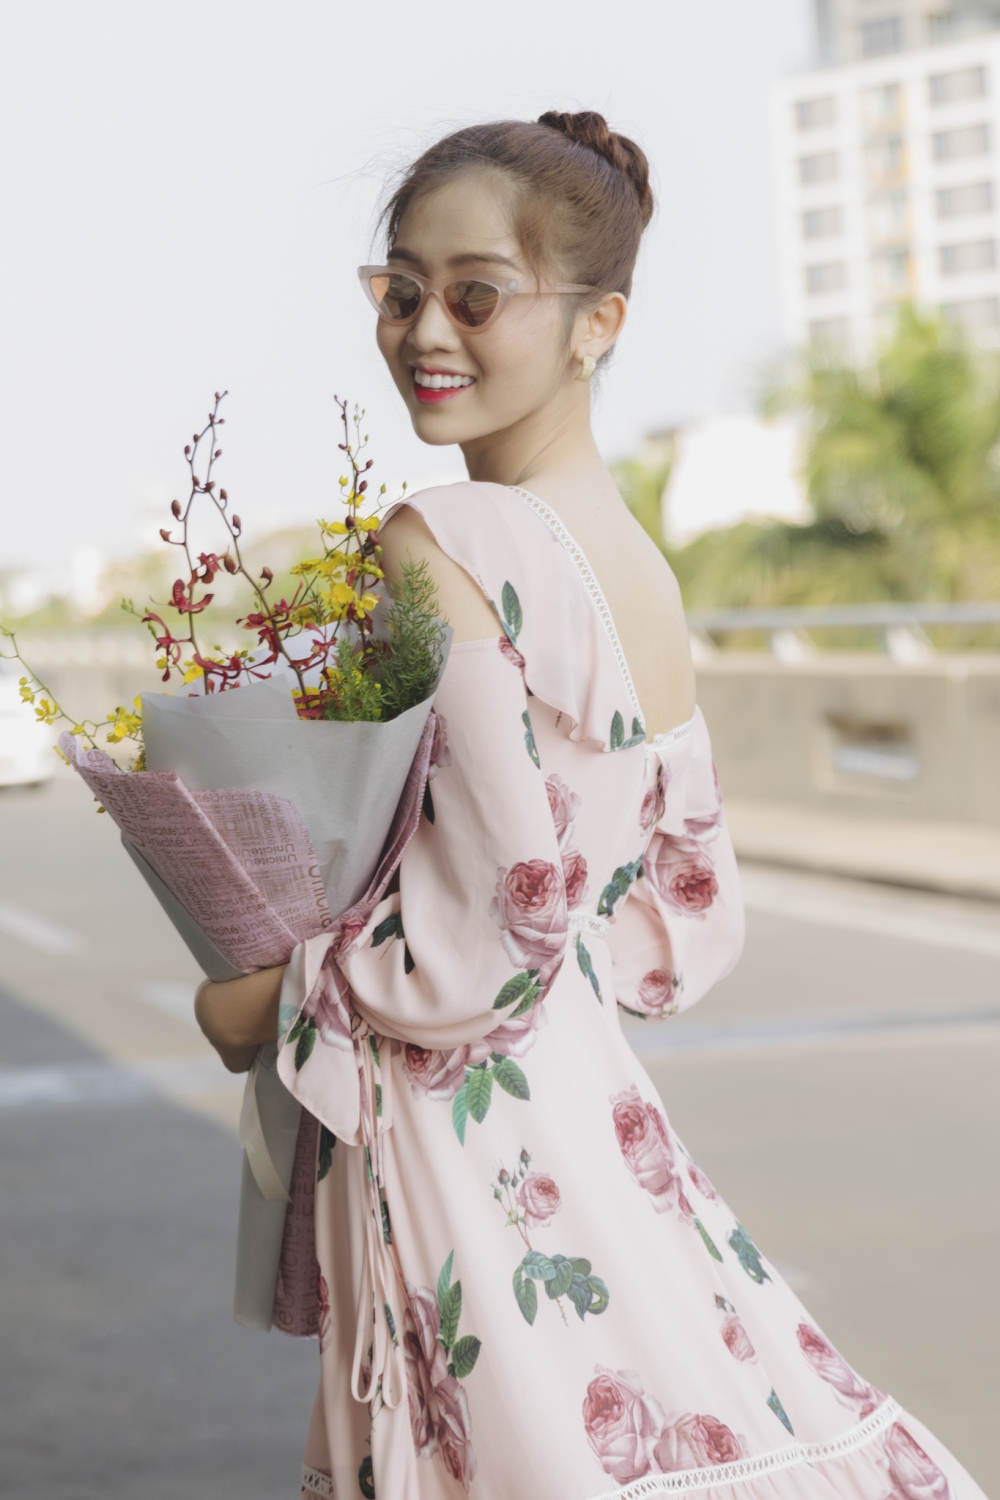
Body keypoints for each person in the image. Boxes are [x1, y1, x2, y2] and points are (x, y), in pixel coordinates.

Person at [195, 113, 985, 1500]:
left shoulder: (435, 542)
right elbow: (680, 920)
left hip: (468, 1140)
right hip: (594, 1114)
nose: (425, 330)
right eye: (400, 290)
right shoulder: (641, 570)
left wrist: (261, 998)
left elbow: (489, 928)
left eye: (476, 294)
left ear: (595, 322)